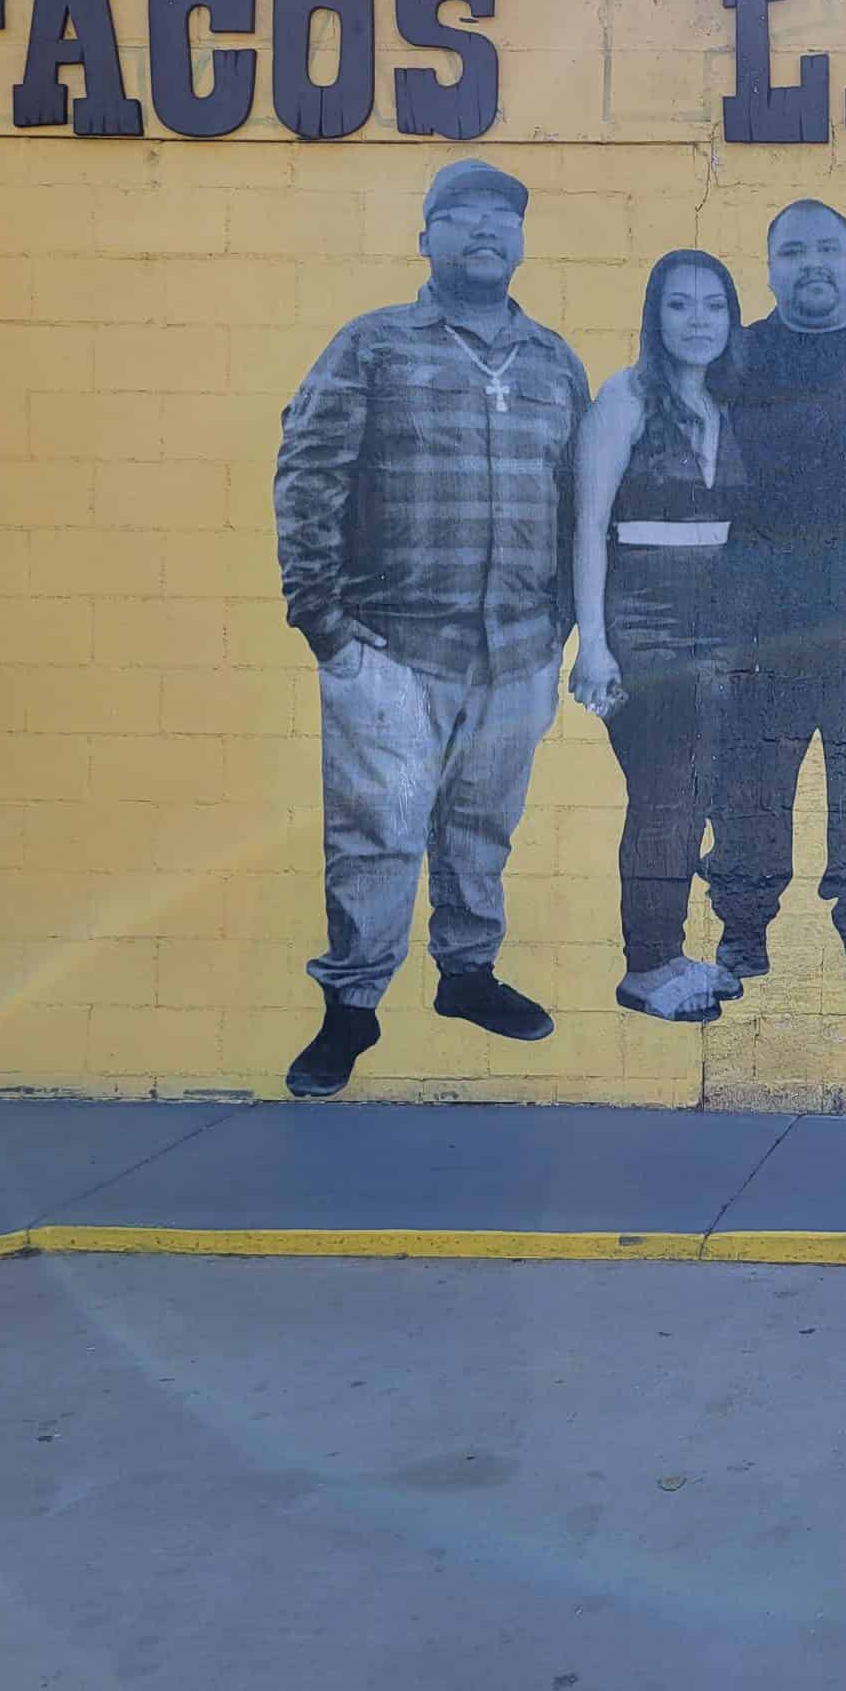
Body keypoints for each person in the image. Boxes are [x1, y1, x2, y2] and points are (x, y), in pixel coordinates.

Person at [273, 158, 587, 1099]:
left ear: (521, 242)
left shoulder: (554, 360)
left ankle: (468, 975)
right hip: (392, 648)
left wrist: (563, 619)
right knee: (377, 833)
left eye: (502, 216)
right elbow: (308, 475)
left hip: (519, 648)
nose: (485, 228)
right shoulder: (372, 345)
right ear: (426, 240)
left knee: (483, 825)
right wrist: (322, 622)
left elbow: (582, 500)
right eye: (461, 214)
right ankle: (352, 1006)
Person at [706, 200, 846, 992]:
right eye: (794, 252)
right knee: (748, 788)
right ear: (769, 271)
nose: (813, 264)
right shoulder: (734, 355)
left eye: (827, 249)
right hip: (757, 617)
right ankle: (742, 929)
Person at [568, 250, 752, 1024]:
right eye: (680, 305)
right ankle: (645, 968)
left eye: (714, 306)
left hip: (718, 618)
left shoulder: (727, 401)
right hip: (643, 614)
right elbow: (587, 526)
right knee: (663, 794)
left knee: (692, 795)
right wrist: (594, 643)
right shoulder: (627, 396)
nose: (698, 320)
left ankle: (670, 952)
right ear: (655, 316)